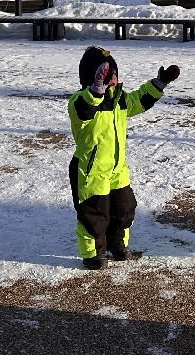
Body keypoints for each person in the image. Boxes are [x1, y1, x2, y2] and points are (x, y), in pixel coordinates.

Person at [68, 46, 179, 269]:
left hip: (117, 169)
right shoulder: (81, 101)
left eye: (114, 73)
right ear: (93, 76)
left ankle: (118, 245)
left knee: (124, 208)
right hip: (91, 171)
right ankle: (93, 254)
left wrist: (159, 84)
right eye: (106, 74)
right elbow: (85, 108)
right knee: (94, 213)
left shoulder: (120, 100)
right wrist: (95, 92)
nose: (112, 78)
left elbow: (139, 99)